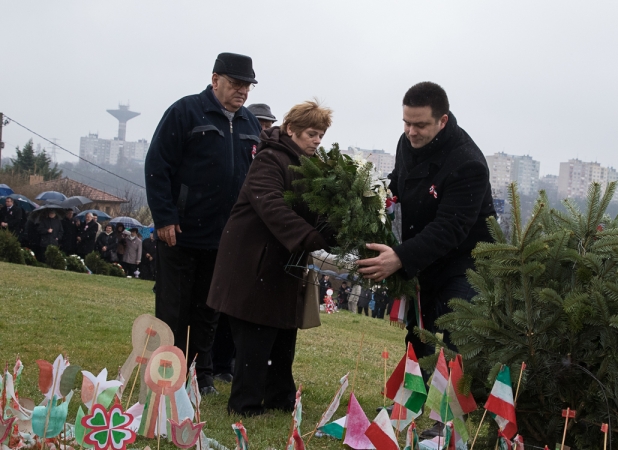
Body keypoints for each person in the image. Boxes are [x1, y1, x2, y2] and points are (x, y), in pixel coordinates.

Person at [356, 82, 496, 438]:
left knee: (452, 337)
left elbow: (451, 227)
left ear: (442, 121)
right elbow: (401, 183)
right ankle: (409, 403)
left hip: (465, 261)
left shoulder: (468, 163)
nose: (410, 132)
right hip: (423, 255)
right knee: (417, 335)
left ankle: (446, 419)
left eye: (419, 125)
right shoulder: (408, 143)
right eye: (406, 123)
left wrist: (400, 257)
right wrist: (376, 195)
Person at [207, 100, 334, 417]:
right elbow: (272, 207)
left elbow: (313, 209)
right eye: (311, 133)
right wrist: (311, 239)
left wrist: (333, 226)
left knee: (281, 337)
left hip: (281, 267)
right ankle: (245, 404)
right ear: (291, 130)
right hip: (252, 264)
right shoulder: (269, 160)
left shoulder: (310, 166)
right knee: (255, 339)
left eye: (320, 134)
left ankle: (279, 396)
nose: (317, 140)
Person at [145, 52, 262, 396]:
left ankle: (201, 374)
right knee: (174, 307)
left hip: (224, 237)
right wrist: (165, 216)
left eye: (247, 86)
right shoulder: (184, 112)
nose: (242, 91)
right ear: (215, 80)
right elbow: (158, 166)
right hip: (180, 233)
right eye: (236, 84)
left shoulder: (251, 125)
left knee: (209, 311)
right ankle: (168, 371)